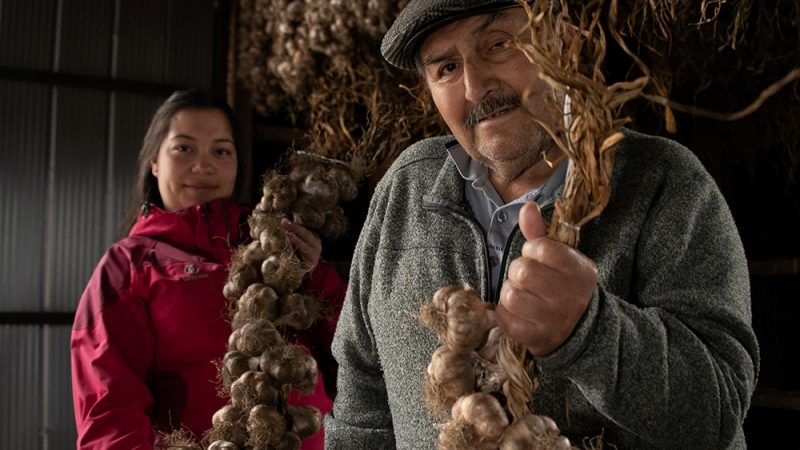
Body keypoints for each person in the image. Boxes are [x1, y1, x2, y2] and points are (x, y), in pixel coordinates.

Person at [325, 1, 759, 449]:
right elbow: (362, 401)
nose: (475, 87)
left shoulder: (664, 181)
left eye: (498, 45)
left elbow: (718, 410)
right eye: (448, 68)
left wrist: (590, 333)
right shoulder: (406, 187)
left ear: (564, 43)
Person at [70, 89, 347, 449]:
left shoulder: (278, 246)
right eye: (184, 148)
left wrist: (314, 278)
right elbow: (108, 410)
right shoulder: (128, 267)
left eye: (221, 151)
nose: (204, 166)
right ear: (154, 162)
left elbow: (354, 351)